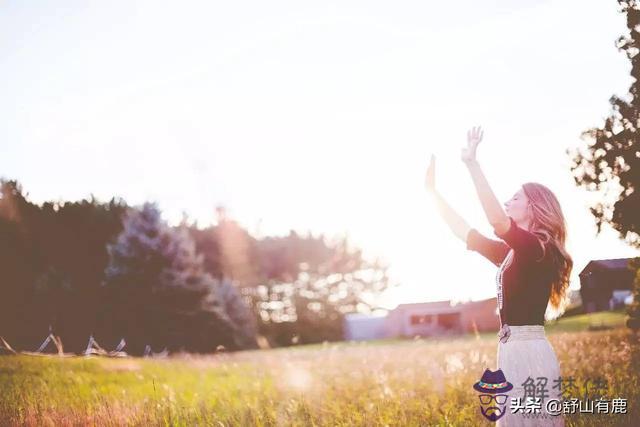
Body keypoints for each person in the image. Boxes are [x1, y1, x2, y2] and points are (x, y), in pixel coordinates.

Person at [425, 126, 572, 426]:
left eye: (515, 198)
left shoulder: (538, 249)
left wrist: (472, 164)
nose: (507, 202)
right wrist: (433, 194)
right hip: (510, 353)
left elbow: (496, 220)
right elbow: (464, 232)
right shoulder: (513, 254)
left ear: (534, 207)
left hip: (530, 355)